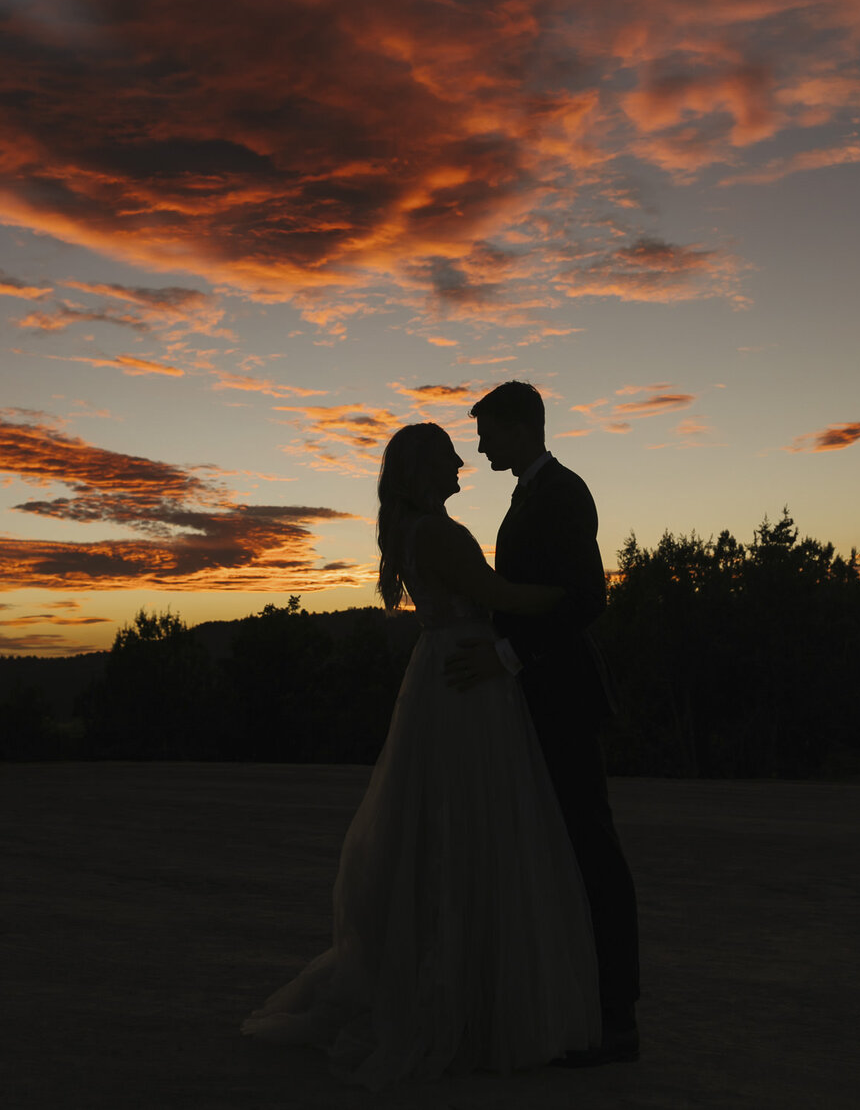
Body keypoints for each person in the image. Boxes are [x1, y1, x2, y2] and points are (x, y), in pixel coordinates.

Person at [240, 421, 601, 1090]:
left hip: (445, 673)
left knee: (444, 828)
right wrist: (575, 600)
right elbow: (499, 598)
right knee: (468, 830)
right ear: (423, 470)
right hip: (466, 685)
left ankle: (465, 990)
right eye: (447, 455)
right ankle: (464, 1006)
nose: (463, 460)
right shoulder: (436, 532)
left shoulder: (417, 531)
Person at [443, 380, 640, 1067]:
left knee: (590, 848)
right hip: (536, 697)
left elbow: (587, 599)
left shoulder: (562, 493)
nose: (479, 445)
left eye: (487, 432)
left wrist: (507, 655)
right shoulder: (532, 493)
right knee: (560, 849)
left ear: (520, 428)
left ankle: (618, 1018)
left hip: (562, 695)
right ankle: (580, 1005)